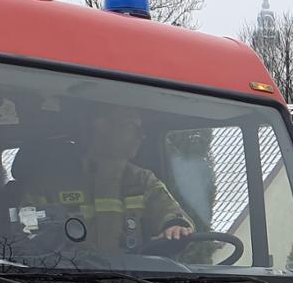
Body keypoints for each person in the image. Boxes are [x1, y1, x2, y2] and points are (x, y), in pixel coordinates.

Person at [14, 102, 195, 256]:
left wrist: (176, 226)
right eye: (131, 126)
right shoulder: (48, 182)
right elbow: (27, 235)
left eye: (141, 129)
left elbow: (172, 214)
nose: (141, 136)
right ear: (99, 126)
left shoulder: (143, 180)